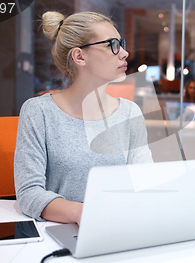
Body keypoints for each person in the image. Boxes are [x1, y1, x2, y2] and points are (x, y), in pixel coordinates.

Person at [14, 11, 153, 225]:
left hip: (118, 225)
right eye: (112, 45)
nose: (124, 53)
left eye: (121, 43)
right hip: (59, 231)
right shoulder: (38, 112)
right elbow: (29, 193)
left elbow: (144, 182)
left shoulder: (130, 112)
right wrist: (84, 213)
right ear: (79, 56)